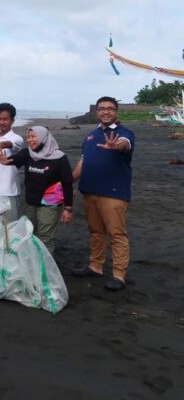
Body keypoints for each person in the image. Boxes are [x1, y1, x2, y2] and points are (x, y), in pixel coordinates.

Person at [72, 96, 135, 291]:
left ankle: (119, 275)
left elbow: (125, 143)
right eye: (101, 108)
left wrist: (117, 146)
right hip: (90, 191)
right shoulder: (91, 135)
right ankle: (96, 266)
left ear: (116, 111)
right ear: (96, 112)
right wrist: (67, 181)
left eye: (109, 108)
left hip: (114, 194)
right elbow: (83, 162)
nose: (105, 111)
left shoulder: (125, 134)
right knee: (96, 232)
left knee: (117, 234)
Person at [0, 126, 73, 254]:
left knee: (45, 238)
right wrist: (7, 162)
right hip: (31, 201)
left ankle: (45, 269)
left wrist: (68, 208)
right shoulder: (28, 153)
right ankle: (33, 263)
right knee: (29, 233)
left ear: (43, 138)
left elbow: (67, 183)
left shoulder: (59, 158)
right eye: (28, 137)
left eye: (33, 137)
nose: (30, 140)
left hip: (50, 202)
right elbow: (17, 159)